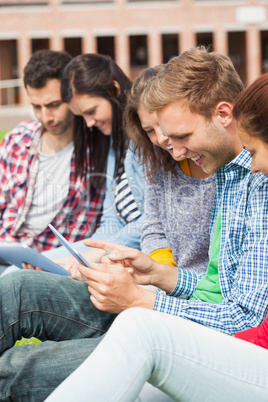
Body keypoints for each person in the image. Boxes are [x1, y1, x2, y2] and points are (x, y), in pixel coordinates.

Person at [0, 47, 268, 401]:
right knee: (20, 288)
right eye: (159, 134)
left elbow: (245, 319)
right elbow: (217, 288)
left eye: (181, 137)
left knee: (17, 367)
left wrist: (144, 300)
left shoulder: (254, 179)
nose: (173, 148)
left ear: (223, 115)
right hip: (183, 315)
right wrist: (156, 273)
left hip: (210, 340)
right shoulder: (229, 175)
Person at [34, 53, 144, 281]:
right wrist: (84, 253)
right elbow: (111, 218)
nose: (89, 124)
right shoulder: (115, 142)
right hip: (116, 252)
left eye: (91, 111)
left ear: (113, 90)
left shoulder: (146, 139)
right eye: (82, 116)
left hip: (139, 257)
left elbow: (151, 222)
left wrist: (98, 254)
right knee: (34, 269)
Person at [0, 50, 104, 274]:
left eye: (54, 104)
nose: (46, 116)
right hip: (6, 251)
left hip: (53, 264)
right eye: (37, 107)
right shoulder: (17, 139)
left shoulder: (98, 150)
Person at [124, 66, 216, 272]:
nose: (161, 138)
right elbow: (153, 228)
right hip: (171, 280)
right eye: (149, 130)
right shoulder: (159, 161)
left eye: (162, 124)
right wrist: (163, 271)